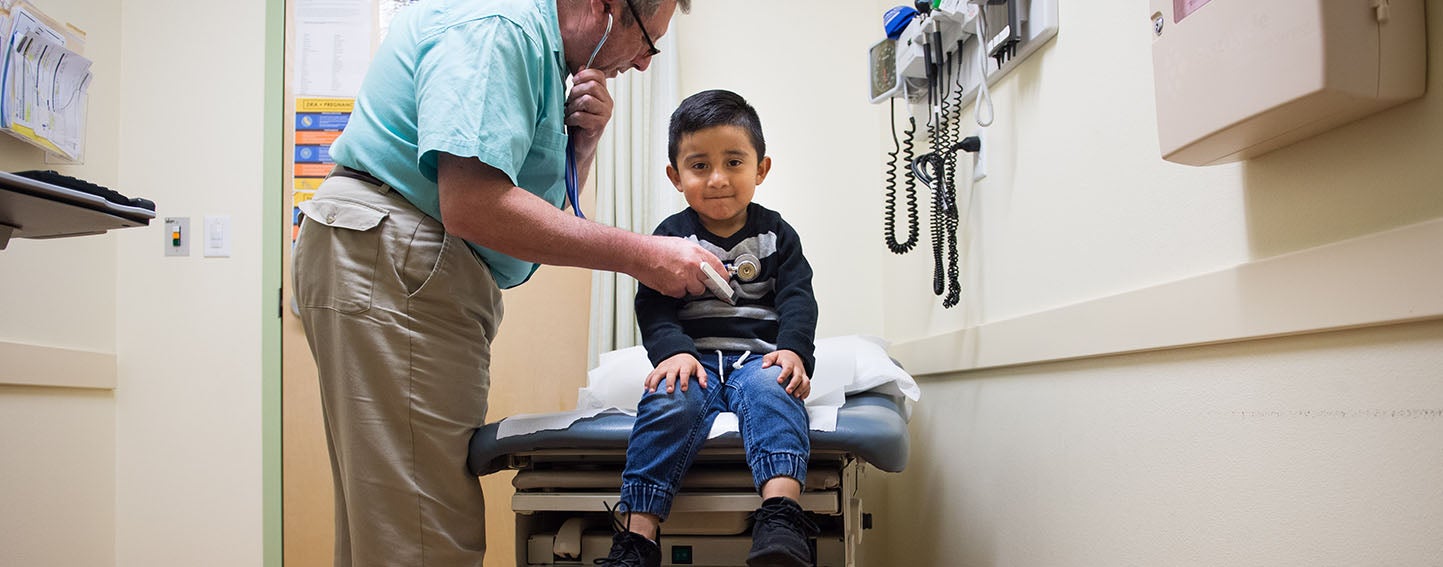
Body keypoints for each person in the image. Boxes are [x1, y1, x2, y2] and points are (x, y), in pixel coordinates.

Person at [290, 0, 718, 565]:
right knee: (425, 536)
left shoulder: (538, 52)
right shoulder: (500, 26)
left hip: (398, 262)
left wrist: (581, 145)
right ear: (605, 7)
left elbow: (527, 205)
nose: (642, 64)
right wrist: (643, 256)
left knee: (391, 524)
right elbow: (473, 204)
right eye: (647, 39)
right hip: (395, 259)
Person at [600, 89, 821, 567]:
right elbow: (654, 308)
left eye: (734, 162)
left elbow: (798, 299)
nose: (717, 179)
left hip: (755, 358)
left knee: (774, 391)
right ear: (676, 176)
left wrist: (793, 352)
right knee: (668, 403)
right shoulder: (670, 238)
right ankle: (639, 537)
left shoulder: (777, 235)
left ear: (760, 169)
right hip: (694, 361)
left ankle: (780, 518)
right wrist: (673, 353)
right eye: (699, 166)